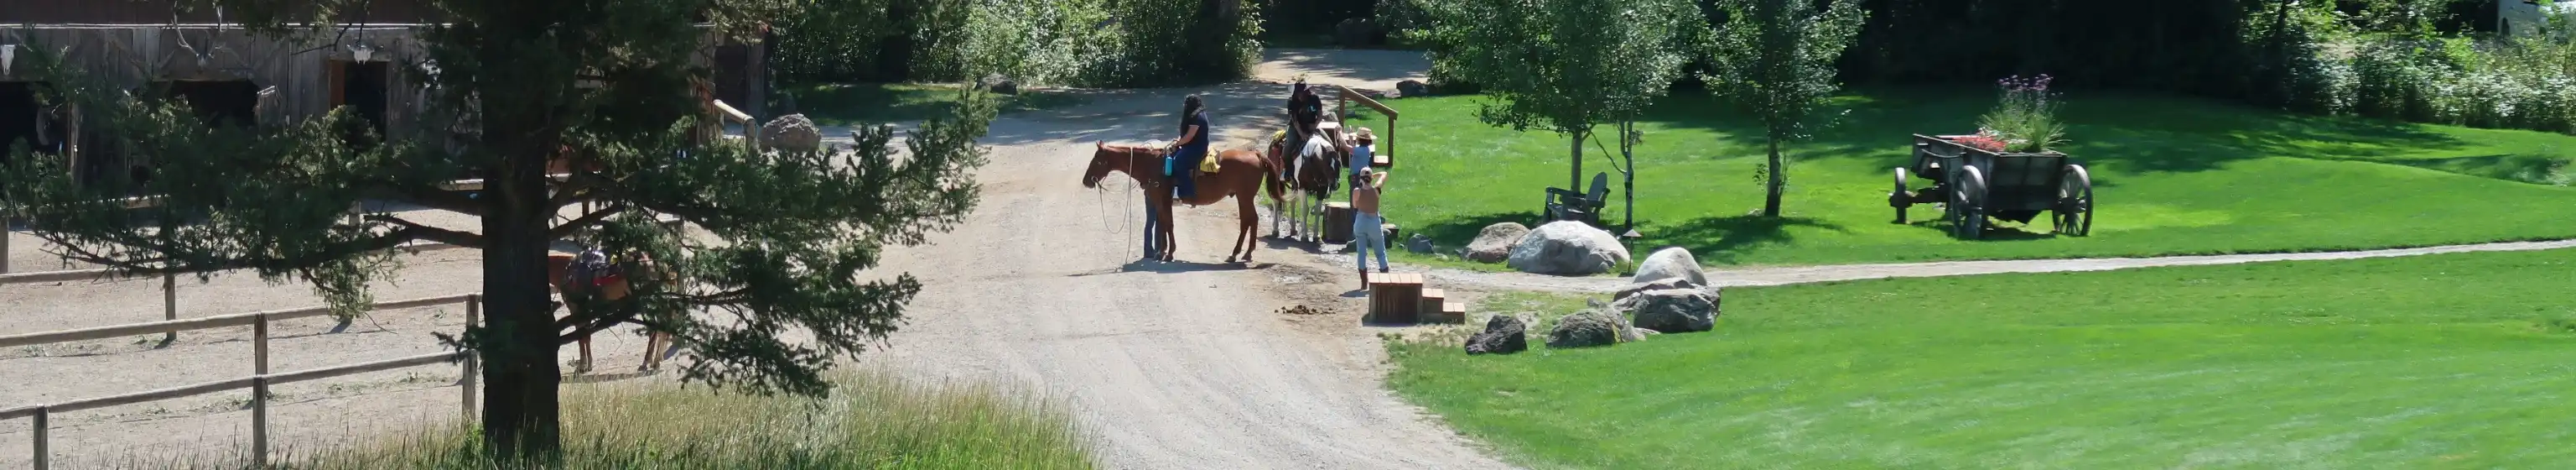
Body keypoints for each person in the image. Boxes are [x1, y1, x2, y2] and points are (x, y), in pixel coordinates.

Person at [1351, 166, 1389, 288]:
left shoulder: (1357, 191)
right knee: (1380, 252)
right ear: (1371, 179)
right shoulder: (1376, 190)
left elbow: (1355, 205)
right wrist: (1374, 175)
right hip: (1374, 222)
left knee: (1361, 252)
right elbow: (1384, 174)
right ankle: (1384, 279)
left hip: (1361, 220)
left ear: (1361, 179)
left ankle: (1363, 283)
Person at [1169, 94, 1212, 199]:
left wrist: (1178, 144)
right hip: (1194, 146)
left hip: (1197, 148)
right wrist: (1179, 140)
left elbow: (1189, 136)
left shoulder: (1197, 117)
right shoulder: (1198, 114)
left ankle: (1187, 191)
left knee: (1178, 161)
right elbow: (1186, 135)